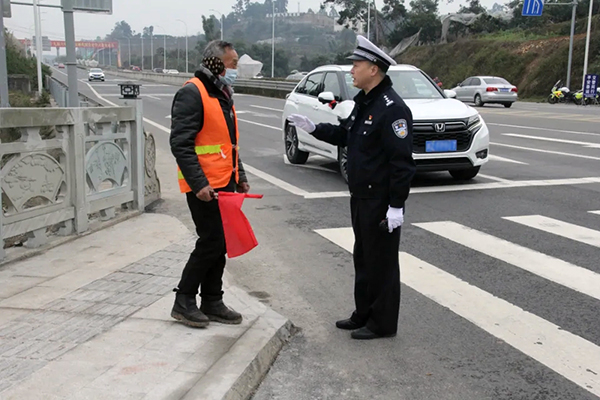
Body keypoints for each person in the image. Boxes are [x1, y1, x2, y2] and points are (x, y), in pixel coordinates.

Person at [288, 36, 416, 340]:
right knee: (363, 257)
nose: (351, 72)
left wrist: (396, 205)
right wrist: (314, 128)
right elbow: (347, 135)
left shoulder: (393, 109)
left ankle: (382, 323)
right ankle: (363, 313)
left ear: (374, 69)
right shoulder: (365, 102)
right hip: (360, 196)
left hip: (381, 200)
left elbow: (402, 164)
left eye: (356, 66)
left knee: (382, 263)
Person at [169, 40, 250, 328]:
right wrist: (199, 183)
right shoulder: (193, 92)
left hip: (224, 182)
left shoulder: (222, 93)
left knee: (221, 242)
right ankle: (184, 300)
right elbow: (181, 144)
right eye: (233, 64)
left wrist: (239, 176)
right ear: (216, 63)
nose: (236, 70)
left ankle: (213, 300)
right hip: (204, 187)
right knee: (211, 241)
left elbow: (228, 143)